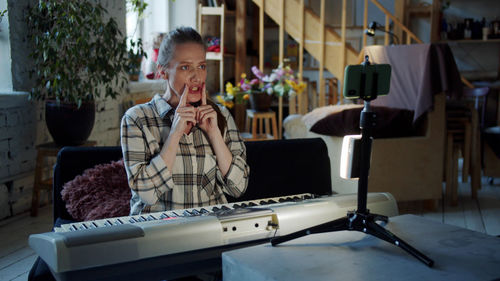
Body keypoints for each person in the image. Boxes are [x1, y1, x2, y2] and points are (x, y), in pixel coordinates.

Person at [121, 26, 249, 215]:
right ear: (163, 72)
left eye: (201, 66)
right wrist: (174, 134)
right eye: (185, 67)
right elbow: (146, 195)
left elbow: (238, 188)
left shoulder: (219, 115)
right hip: (157, 235)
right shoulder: (137, 119)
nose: (196, 77)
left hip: (209, 232)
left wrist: (214, 134)